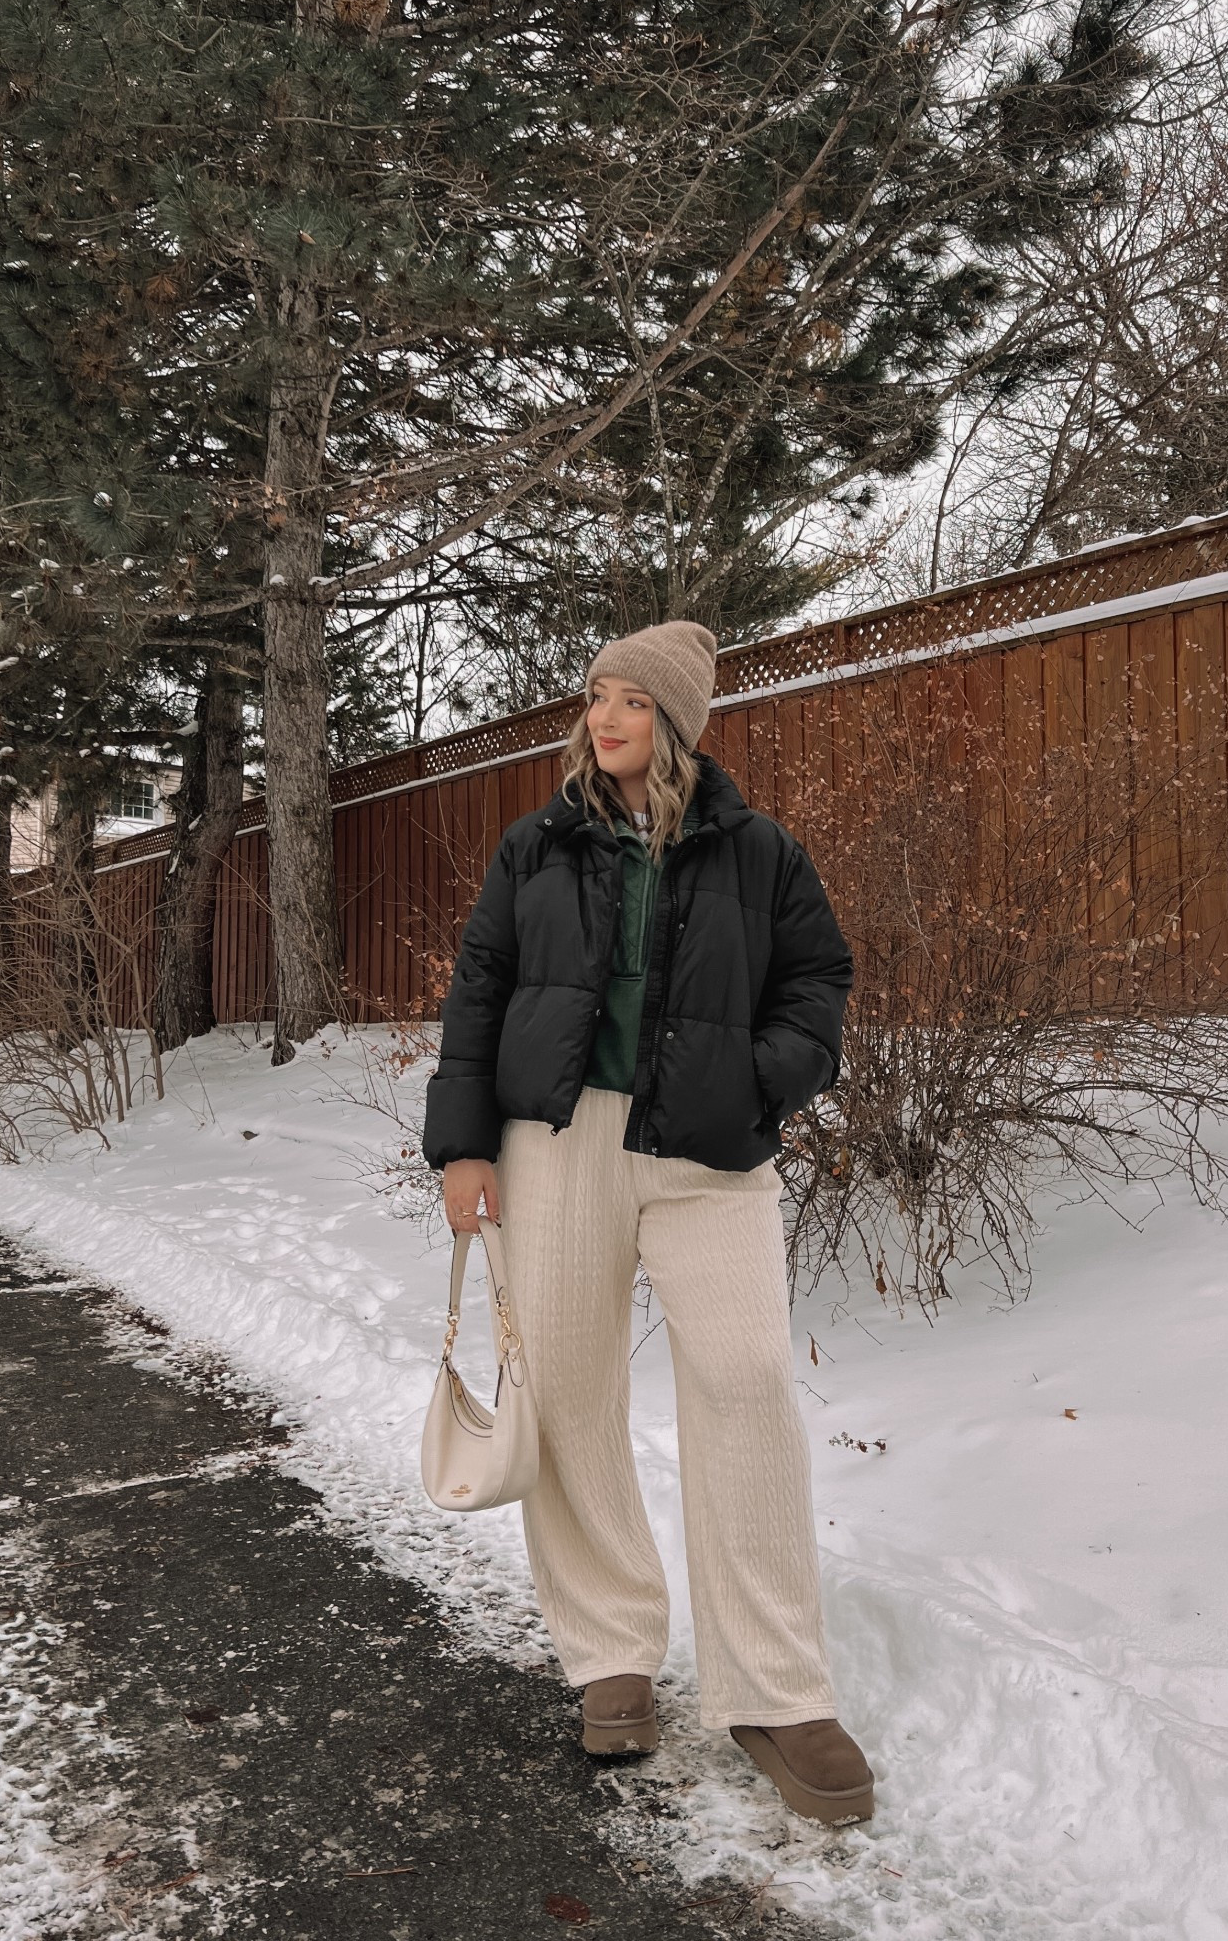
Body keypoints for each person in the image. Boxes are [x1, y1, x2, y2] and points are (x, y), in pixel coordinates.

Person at [420, 619, 873, 1827]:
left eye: (628, 698)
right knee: (568, 1390)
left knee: (744, 1379)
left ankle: (777, 1687)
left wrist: (760, 1078)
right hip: (555, 1145)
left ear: (677, 717)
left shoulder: (759, 850)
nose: (602, 715)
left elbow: (818, 981)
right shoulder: (539, 844)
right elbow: (480, 986)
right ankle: (610, 1649)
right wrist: (464, 1141)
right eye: (593, 694)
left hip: (704, 1151)